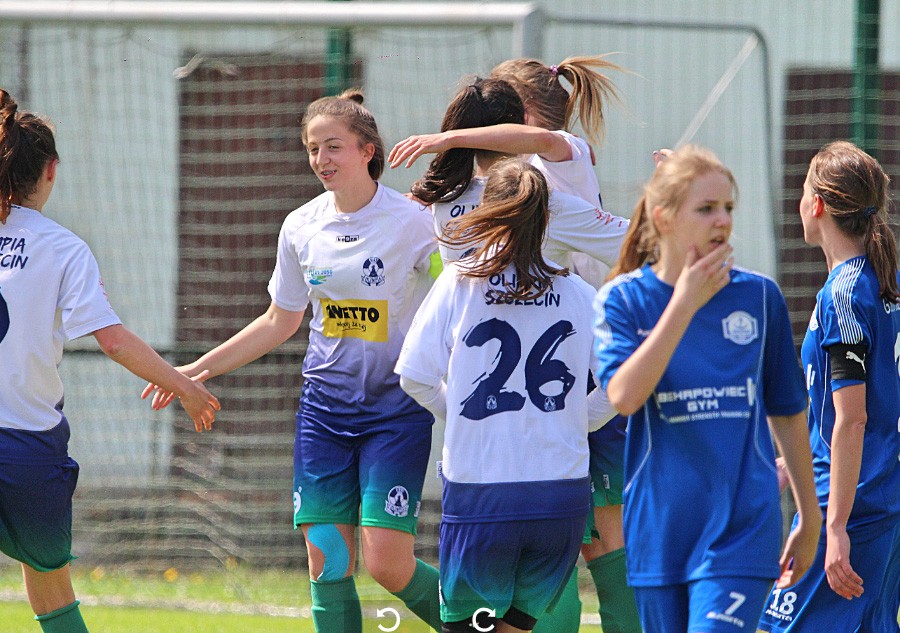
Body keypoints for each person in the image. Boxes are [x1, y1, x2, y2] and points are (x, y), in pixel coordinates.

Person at [143, 90, 442, 633]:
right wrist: (192, 372)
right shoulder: (301, 226)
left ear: (368, 151)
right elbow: (278, 322)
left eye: (334, 147)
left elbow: (456, 295)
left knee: (386, 564)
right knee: (327, 557)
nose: (321, 159)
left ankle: (474, 624)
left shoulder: (414, 222)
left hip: (395, 412)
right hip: (324, 414)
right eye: (312, 149)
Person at [390, 64, 640, 633]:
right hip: (564, 393)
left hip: (495, 431)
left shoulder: (510, 186)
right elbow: (636, 245)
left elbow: (415, 373)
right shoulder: (535, 202)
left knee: (590, 546)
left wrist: (456, 411)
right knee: (593, 542)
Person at [0, 89, 220, 633]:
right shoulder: (62, 247)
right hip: (25, 445)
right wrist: (185, 386)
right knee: (49, 585)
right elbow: (114, 341)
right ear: (50, 170)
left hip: (23, 443)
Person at [593, 145, 822, 633]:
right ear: (665, 218)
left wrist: (810, 515)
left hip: (742, 530)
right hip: (661, 532)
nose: (722, 220)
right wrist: (684, 303)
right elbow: (624, 397)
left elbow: (787, 412)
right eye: (706, 208)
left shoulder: (759, 297)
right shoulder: (623, 300)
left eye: (728, 208)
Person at [757, 141, 899, 632]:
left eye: (802, 191)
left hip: (847, 505)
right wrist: (794, 460)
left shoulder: (845, 294)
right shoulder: (885, 281)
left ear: (816, 205)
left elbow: (853, 418)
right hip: (880, 496)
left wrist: (833, 526)